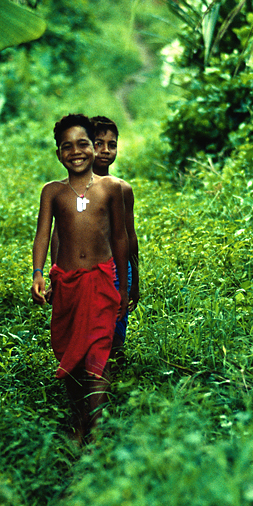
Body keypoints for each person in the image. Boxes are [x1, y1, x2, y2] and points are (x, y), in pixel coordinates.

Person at [31, 113, 129, 445]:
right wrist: (38, 274)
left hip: (102, 281)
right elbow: (43, 235)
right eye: (67, 146)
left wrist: (124, 287)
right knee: (70, 353)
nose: (77, 151)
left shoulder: (111, 189)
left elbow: (120, 239)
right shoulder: (53, 192)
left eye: (83, 143)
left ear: (93, 146)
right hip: (66, 283)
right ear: (59, 153)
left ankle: (96, 431)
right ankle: (78, 417)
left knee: (97, 354)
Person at [91, 116, 140, 366]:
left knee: (116, 334)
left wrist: (135, 278)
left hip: (120, 270)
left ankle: (115, 381)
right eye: (98, 143)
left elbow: (129, 236)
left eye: (112, 144)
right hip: (89, 270)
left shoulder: (123, 189)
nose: (106, 150)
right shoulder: (75, 189)